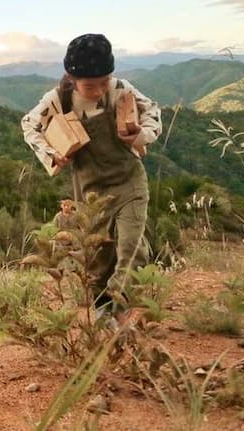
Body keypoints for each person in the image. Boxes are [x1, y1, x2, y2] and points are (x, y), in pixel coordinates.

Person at [20, 33, 162, 314]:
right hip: (89, 192)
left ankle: (119, 310)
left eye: (103, 82)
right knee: (98, 259)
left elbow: (153, 113)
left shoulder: (121, 90)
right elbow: (29, 125)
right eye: (89, 85)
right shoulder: (59, 99)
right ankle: (101, 309)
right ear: (72, 78)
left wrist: (139, 135)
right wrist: (53, 154)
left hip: (129, 183)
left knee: (130, 248)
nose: (98, 91)